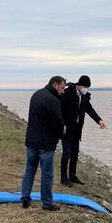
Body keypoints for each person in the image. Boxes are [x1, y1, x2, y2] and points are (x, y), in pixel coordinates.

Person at [21, 76, 66, 211]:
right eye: (62, 88)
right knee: (47, 174)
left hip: (32, 140)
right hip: (46, 144)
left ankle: (25, 198)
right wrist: (62, 132)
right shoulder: (53, 100)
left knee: (30, 170)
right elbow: (57, 123)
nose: (63, 91)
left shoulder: (36, 94)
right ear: (55, 85)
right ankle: (47, 203)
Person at [61, 75, 107, 186]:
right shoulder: (67, 93)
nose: (86, 89)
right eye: (85, 86)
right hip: (66, 128)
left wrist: (99, 120)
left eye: (88, 87)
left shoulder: (85, 96)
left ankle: (72, 176)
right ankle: (63, 178)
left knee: (75, 153)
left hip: (77, 129)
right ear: (79, 85)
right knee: (66, 153)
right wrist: (62, 124)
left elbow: (90, 110)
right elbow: (60, 109)